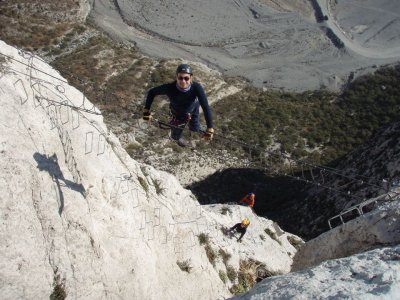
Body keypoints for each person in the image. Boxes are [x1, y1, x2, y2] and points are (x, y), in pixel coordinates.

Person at [143, 63, 214, 147]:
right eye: (180, 78)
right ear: (176, 77)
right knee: (175, 136)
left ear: (191, 78)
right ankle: (181, 140)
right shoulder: (170, 88)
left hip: (193, 108)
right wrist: (146, 111)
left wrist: (210, 128)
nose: (183, 81)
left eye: (186, 78)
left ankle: (195, 128)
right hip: (178, 114)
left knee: (195, 126)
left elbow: (205, 107)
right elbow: (152, 92)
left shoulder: (196, 88)